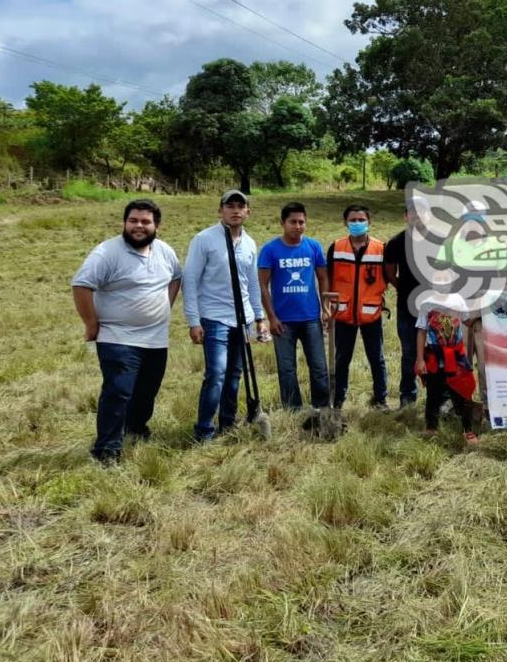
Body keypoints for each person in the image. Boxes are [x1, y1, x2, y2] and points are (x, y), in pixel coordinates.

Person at [72, 199, 182, 464]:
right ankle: (107, 448)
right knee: (119, 390)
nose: (139, 226)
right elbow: (81, 284)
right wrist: (91, 323)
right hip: (117, 336)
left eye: (145, 221)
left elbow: (176, 277)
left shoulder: (165, 251)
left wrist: (164, 307)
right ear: (124, 222)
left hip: (156, 338)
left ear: (157, 225)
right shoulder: (107, 252)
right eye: (133, 221)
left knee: (147, 391)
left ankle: (136, 429)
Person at [182, 189, 266, 442]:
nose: (235, 210)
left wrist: (259, 317)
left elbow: (252, 283)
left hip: (243, 319)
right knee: (216, 373)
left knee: (235, 375)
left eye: (241, 206)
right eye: (230, 206)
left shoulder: (250, 243)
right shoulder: (204, 240)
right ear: (220, 211)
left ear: (248, 212)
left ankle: (227, 424)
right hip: (214, 317)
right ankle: (204, 430)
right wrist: (193, 321)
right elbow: (190, 281)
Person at [257, 201, 331, 411]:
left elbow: (323, 277)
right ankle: (293, 409)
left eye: (301, 222)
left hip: (310, 318)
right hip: (283, 321)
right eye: (293, 222)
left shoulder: (313, 247)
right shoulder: (270, 250)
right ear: (283, 223)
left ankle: (322, 407)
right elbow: (262, 284)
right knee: (287, 369)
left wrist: (325, 307)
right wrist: (271, 317)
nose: (297, 226)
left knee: (318, 366)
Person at [327, 204, 389, 409]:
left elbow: (388, 276)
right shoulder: (336, 248)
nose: (357, 223)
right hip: (343, 314)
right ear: (345, 222)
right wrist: (326, 309)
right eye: (352, 220)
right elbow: (327, 279)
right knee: (342, 359)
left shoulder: (381, 249)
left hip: (371, 314)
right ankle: (338, 399)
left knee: (376, 358)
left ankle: (381, 399)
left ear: (369, 222)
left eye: (361, 220)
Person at [415, 293, 479, 444]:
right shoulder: (426, 302)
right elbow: (421, 331)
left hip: (456, 357)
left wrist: (482, 314)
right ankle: (431, 427)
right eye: (438, 279)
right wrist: (419, 359)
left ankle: (468, 431)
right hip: (434, 357)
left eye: (445, 279)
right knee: (433, 394)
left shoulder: (458, 299)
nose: (442, 282)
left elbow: (468, 321)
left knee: (463, 393)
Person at [383, 201, 427, 408]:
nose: (417, 217)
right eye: (413, 213)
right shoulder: (396, 243)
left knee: (441, 351)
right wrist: (407, 290)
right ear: (406, 216)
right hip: (407, 306)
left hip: (435, 307)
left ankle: (442, 398)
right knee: (409, 352)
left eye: (422, 213)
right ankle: (407, 397)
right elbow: (390, 274)